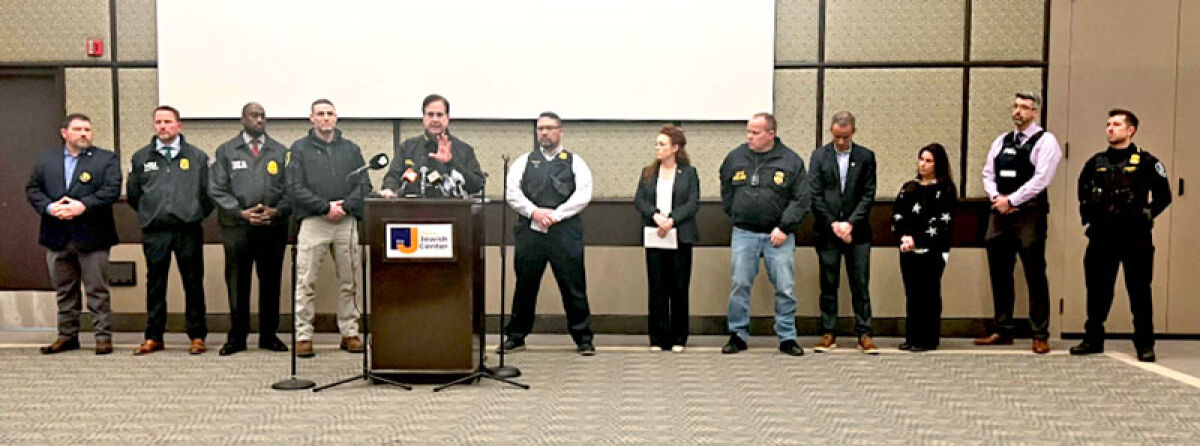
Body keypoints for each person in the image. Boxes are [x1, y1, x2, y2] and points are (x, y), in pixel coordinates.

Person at [1070, 109, 1171, 362]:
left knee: (1139, 291)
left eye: (1116, 124)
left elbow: (1164, 196)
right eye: (1108, 124)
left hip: (1135, 236)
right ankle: (1093, 339)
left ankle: (1145, 344)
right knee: (1097, 290)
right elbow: (1082, 191)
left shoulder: (1148, 162)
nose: (1110, 128)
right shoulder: (1095, 162)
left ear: (1130, 130)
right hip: (1102, 236)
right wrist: (1089, 217)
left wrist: (1148, 214)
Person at [500, 112, 596, 356]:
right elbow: (512, 192)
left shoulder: (575, 162)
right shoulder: (524, 161)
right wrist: (534, 212)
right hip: (530, 232)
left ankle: (583, 338)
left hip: (565, 231)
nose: (544, 132)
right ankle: (516, 336)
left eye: (549, 128)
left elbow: (583, 194)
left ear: (560, 131)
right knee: (525, 285)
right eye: (540, 128)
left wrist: (555, 215)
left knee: (573, 285)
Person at [25, 113, 122, 355]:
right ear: (64, 133)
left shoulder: (106, 159)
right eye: (78, 129)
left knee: (97, 289)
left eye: (87, 129)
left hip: (93, 236)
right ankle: (67, 336)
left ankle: (102, 337)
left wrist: (83, 205)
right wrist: (50, 207)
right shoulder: (47, 159)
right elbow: (33, 188)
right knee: (64, 290)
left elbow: (111, 189)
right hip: (57, 234)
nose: (83, 133)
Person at [977, 92, 1062, 354]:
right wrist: (996, 197)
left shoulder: (1046, 141)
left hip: (1029, 214)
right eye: (1015, 107)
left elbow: (1041, 179)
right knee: (1000, 273)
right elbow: (987, 173)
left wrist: (1012, 200)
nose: (1018, 112)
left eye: (1024, 108)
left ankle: (1039, 333)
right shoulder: (1001, 141)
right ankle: (1003, 330)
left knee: (1034, 274)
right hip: (999, 214)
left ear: (1035, 112)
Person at [718, 112, 809, 356]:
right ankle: (738, 334)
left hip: (778, 235)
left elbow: (801, 199)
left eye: (755, 133)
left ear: (771, 134)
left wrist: (784, 227)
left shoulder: (790, 161)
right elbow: (726, 190)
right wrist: (736, 213)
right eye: (748, 131)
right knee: (739, 285)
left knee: (785, 287)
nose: (750, 136)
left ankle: (787, 337)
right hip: (744, 232)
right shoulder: (736, 157)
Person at [286, 99, 371, 358]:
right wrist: (325, 207)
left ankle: (349, 332)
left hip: (346, 222)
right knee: (306, 281)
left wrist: (344, 207)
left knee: (350, 281)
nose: (325, 118)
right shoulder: (298, 150)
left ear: (337, 118)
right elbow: (294, 187)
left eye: (330, 114)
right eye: (320, 114)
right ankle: (303, 335)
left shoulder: (351, 150)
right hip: (313, 222)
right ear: (311, 118)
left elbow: (364, 184)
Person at [127, 105, 214, 355]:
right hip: (155, 231)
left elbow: (207, 195)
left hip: (188, 229)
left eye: (167, 121)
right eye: (158, 122)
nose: (162, 126)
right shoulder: (141, 157)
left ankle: (197, 335)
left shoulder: (197, 157)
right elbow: (134, 195)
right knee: (155, 284)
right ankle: (154, 336)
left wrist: (194, 213)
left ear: (179, 125)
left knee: (193, 283)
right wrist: (150, 213)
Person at [208, 102, 290, 356]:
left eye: (263, 116)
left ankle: (268, 335)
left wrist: (276, 210)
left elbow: (292, 188)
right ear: (242, 119)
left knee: (271, 283)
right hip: (237, 228)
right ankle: (237, 337)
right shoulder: (226, 151)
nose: (260, 120)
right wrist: (240, 212)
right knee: (237, 282)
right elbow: (216, 189)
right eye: (254, 115)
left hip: (271, 226)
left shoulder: (280, 151)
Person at [806, 111, 879, 354]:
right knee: (828, 283)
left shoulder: (866, 157)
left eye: (845, 137)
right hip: (828, 232)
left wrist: (850, 224)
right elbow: (814, 195)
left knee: (860, 283)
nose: (840, 142)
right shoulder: (819, 156)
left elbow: (868, 194)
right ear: (831, 131)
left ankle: (864, 333)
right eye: (837, 136)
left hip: (857, 233)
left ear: (853, 132)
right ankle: (828, 332)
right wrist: (834, 225)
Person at [633, 125, 700, 353]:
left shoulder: (689, 173)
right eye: (656, 144)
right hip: (655, 235)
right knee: (657, 288)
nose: (657, 148)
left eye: (662, 144)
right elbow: (640, 200)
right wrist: (655, 216)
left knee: (679, 288)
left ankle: (679, 337)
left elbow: (692, 203)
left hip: (679, 235)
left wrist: (671, 220)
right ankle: (658, 337)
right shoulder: (648, 172)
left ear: (675, 148)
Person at [892, 143, 957, 352]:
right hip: (908, 249)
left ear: (938, 164)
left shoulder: (945, 189)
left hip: (933, 250)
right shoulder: (909, 187)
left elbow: (941, 223)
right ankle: (912, 336)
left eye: (929, 161)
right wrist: (904, 237)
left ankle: (928, 338)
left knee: (928, 292)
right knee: (912, 293)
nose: (923, 164)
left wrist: (918, 240)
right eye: (921, 159)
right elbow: (898, 215)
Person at [379, 94, 485, 198]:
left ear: (447, 118)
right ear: (424, 118)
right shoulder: (407, 148)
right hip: (412, 211)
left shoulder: (464, 150)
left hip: (452, 211)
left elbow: (477, 185)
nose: (435, 119)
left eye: (439, 115)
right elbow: (392, 178)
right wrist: (389, 189)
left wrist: (452, 162)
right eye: (430, 115)